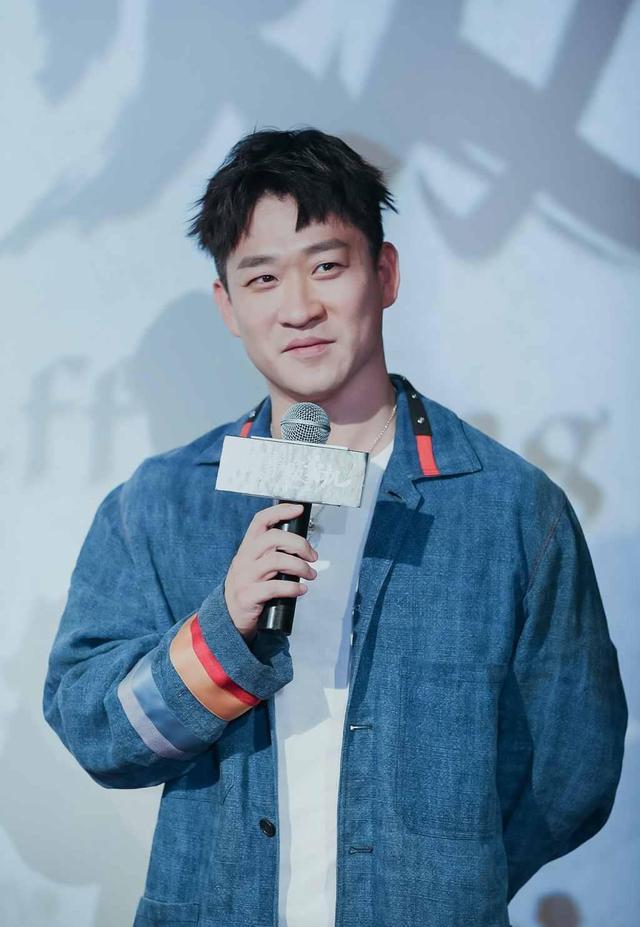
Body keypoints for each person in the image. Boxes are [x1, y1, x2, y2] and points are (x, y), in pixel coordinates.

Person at [43, 127, 628, 927]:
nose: (299, 308)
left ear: (384, 274)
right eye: (262, 278)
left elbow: (572, 768)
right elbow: (93, 725)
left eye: (327, 265)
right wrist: (221, 631)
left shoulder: (511, 507)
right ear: (227, 305)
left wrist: (441, 878)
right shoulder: (159, 502)